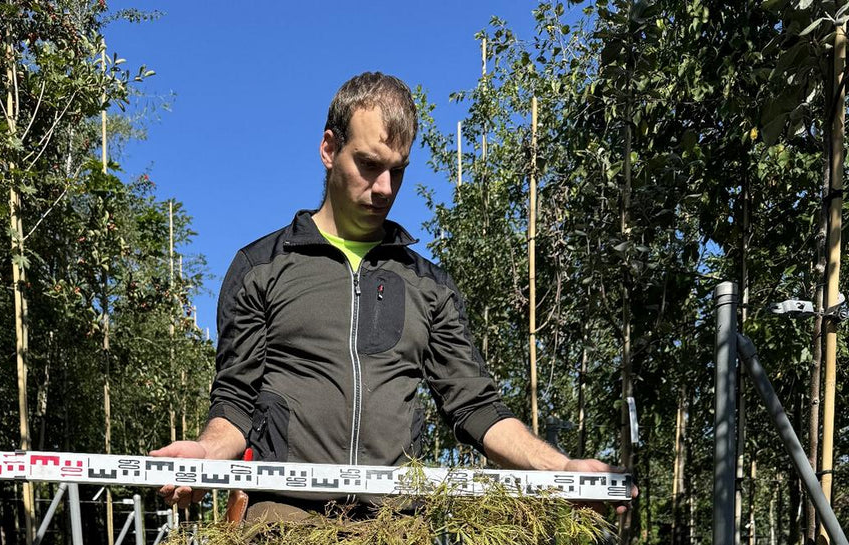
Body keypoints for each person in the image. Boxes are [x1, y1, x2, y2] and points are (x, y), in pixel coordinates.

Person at [152, 71, 627, 518]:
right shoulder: (261, 268)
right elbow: (236, 398)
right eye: (369, 165)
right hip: (284, 528)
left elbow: (476, 407)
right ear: (328, 148)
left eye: (397, 171)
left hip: (396, 535)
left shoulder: (428, 285)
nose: (384, 188)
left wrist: (561, 471)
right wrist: (206, 453)